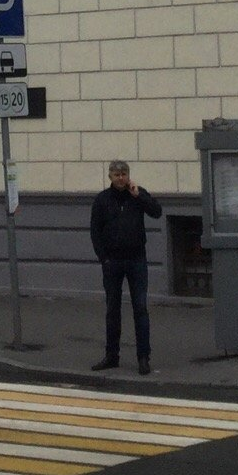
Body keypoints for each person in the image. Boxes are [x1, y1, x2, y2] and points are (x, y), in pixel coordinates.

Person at [89, 159, 161, 374]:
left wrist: (140, 195)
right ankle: (112, 356)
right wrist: (104, 258)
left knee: (140, 308)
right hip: (113, 262)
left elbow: (157, 212)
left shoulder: (137, 195)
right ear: (110, 177)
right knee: (113, 310)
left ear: (128, 176)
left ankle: (143, 357)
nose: (121, 178)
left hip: (136, 259)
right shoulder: (102, 200)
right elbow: (95, 231)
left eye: (124, 174)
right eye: (116, 174)